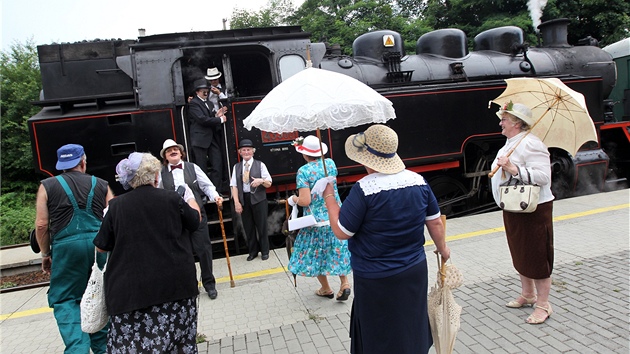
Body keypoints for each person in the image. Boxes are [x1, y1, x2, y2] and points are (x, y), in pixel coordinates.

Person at [322, 125, 451, 354]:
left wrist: (330, 197)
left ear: (367, 159)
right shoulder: (418, 181)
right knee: (410, 324)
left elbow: (342, 231)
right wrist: (443, 249)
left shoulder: (364, 189)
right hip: (413, 270)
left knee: (380, 332)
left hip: (375, 276)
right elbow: (435, 222)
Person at [93, 152, 202, 353]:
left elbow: (101, 246)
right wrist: (190, 198)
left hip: (130, 294)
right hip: (175, 289)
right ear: (154, 176)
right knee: (178, 345)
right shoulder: (172, 198)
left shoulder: (115, 206)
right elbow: (195, 222)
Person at [34, 143, 114, 353]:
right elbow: (114, 217)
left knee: (66, 298)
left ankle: (77, 347)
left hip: (66, 250)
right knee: (98, 296)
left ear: (62, 165)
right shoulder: (102, 184)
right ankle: (103, 348)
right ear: (82, 162)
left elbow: (42, 225)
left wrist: (46, 254)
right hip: (99, 248)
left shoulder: (47, 186)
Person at [491, 102, 555, 324]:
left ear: (517, 124)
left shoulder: (532, 144)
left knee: (537, 255)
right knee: (520, 250)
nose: (501, 122)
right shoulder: (511, 143)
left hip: (534, 209)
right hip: (513, 206)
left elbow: (544, 176)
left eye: (505, 119)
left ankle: (544, 304)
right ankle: (528, 294)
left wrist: (513, 169)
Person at [287, 135, 352, 301]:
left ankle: (325, 288)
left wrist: (293, 199)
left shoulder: (303, 172)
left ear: (304, 154)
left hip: (315, 222)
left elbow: (305, 201)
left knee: (316, 254)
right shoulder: (329, 163)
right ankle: (344, 284)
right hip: (335, 215)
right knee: (337, 250)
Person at [158, 139, 223, 299]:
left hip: (197, 215)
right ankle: (189, 287)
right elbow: (157, 194)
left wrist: (216, 197)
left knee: (204, 250)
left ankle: (209, 284)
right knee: (182, 254)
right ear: (165, 157)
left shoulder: (192, 167)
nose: (173, 152)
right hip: (175, 219)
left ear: (181, 153)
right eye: (169, 151)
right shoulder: (160, 174)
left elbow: (207, 185)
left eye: (175, 149)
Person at [230, 139, 272, 261]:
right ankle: (253, 252)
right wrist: (237, 202)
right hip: (245, 199)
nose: (246, 152)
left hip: (259, 199)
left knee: (262, 226)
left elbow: (269, 183)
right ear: (240, 152)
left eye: (248, 149)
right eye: (244, 150)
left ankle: (265, 251)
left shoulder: (261, 165)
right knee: (248, 227)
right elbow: (234, 186)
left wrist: (261, 181)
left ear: (253, 152)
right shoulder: (236, 167)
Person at [188, 78, 228, 193]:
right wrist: (219, 120)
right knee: (202, 168)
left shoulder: (209, 103)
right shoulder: (194, 104)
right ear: (197, 92)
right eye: (203, 91)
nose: (205, 92)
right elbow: (202, 120)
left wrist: (217, 114)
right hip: (200, 140)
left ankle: (217, 190)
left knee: (217, 164)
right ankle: (204, 193)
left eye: (206, 90)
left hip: (211, 138)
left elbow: (209, 117)